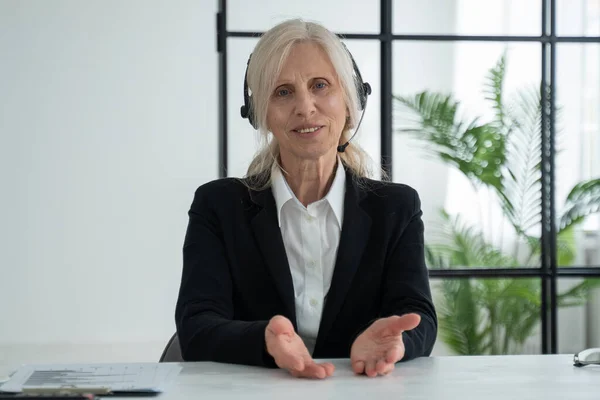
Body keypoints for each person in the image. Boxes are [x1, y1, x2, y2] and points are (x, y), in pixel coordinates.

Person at [174, 18, 437, 379]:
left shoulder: (396, 208)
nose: (305, 107)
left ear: (350, 99)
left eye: (320, 86)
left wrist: (398, 341)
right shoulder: (218, 206)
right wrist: (262, 340)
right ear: (260, 113)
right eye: (283, 92)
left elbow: (417, 315)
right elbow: (197, 326)